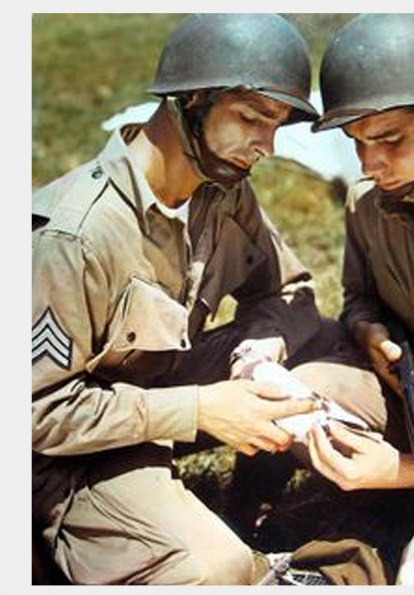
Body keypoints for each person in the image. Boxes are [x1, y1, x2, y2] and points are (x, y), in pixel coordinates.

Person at [32, 13, 335, 585]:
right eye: (251, 119)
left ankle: (251, 510)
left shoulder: (223, 193)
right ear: (191, 100)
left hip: (160, 390)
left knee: (332, 340)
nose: (268, 146)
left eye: (276, 126)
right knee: (216, 569)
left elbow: (291, 293)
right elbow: (36, 413)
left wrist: (257, 354)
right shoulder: (73, 236)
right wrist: (203, 409)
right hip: (70, 455)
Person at [305, 13, 414, 584]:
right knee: (309, 391)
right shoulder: (367, 205)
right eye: (357, 143)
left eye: (390, 140)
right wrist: (369, 332)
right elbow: (357, 298)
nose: (370, 165)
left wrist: (410, 470)